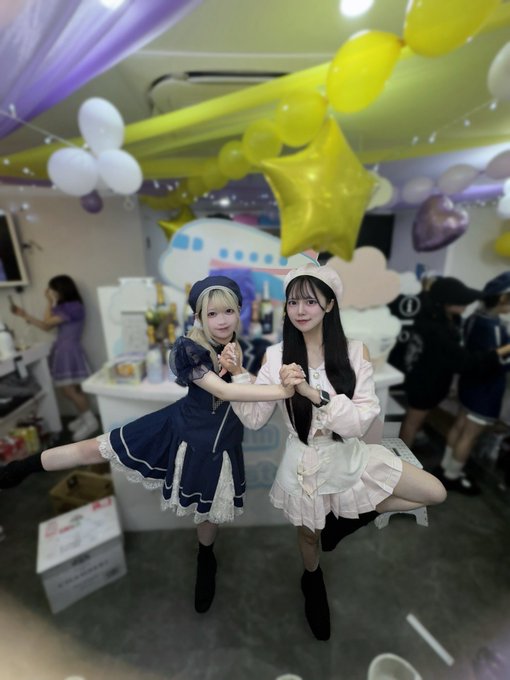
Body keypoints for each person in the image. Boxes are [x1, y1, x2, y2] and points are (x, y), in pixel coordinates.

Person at [0, 275, 297, 613]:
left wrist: (243, 369)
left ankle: (205, 558)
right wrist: (282, 390)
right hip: (182, 430)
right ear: (199, 316)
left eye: (228, 311)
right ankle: (21, 467)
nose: (222, 320)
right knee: (94, 448)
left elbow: (242, 386)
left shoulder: (234, 345)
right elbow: (224, 391)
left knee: (208, 510)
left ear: (238, 311)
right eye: (212, 313)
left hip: (223, 443)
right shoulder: (189, 348)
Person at [219, 264, 447, 641]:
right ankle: (312, 580)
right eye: (293, 301)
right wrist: (239, 374)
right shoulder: (275, 356)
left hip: (349, 455)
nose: (300, 310)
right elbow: (255, 419)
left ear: (329, 305)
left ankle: (349, 519)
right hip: (304, 463)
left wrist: (311, 393)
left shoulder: (355, 352)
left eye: (310, 301)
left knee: (434, 491)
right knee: (310, 538)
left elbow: (359, 422)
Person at [399, 276, 510, 450]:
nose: (467, 305)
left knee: (417, 419)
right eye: (462, 302)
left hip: (428, 379)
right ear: (446, 303)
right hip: (424, 384)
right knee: (412, 422)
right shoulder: (437, 330)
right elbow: (465, 361)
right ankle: (400, 458)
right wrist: (504, 350)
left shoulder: (443, 317)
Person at [436, 272, 510, 495]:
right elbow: (496, 362)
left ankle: (445, 467)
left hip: (468, 383)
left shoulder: (474, 317)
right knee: (470, 435)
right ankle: (452, 476)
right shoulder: (493, 326)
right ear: (502, 299)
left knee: (459, 425)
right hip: (485, 389)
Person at [10, 274, 98, 440]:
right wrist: (25, 315)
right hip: (64, 350)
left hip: (69, 351)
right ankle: (85, 417)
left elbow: (46, 322)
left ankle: (90, 421)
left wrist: (49, 302)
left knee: (71, 390)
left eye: (52, 289)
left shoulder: (73, 307)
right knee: (70, 390)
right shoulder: (67, 307)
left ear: (61, 289)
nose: (50, 292)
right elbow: (46, 326)